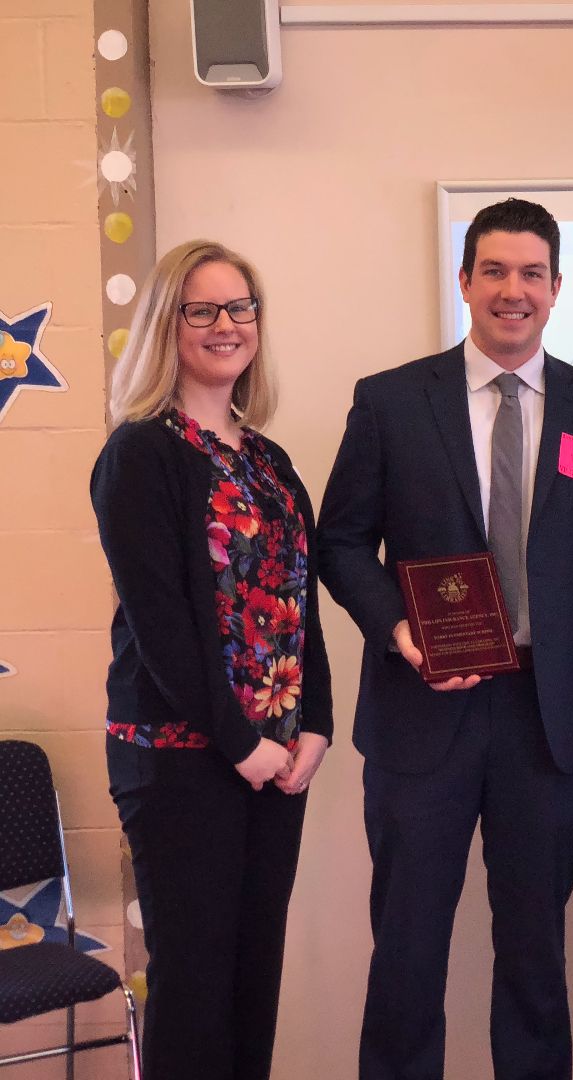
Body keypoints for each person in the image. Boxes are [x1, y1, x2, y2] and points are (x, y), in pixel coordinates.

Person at [316, 198, 573, 1080]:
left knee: (535, 959)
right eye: (494, 270)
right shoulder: (390, 401)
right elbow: (339, 540)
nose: (512, 290)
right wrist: (396, 627)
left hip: (549, 721)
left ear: (557, 288)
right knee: (408, 958)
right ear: (464, 281)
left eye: (531, 273)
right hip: (426, 713)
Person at [90, 240, 332, 1080]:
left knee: (250, 984)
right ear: (169, 323)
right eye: (203, 310)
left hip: (275, 761)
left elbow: (300, 604)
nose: (226, 325)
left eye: (241, 308)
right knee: (194, 992)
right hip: (184, 760)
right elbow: (162, 629)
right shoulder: (139, 454)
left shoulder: (268, 462)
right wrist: (241, 744)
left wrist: (317, 730)